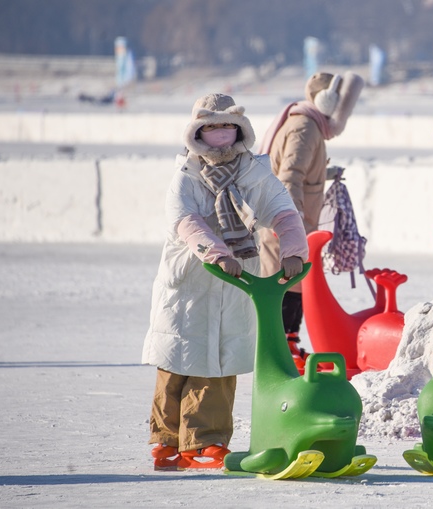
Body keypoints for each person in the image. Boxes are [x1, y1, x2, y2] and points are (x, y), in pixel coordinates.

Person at [142, 93, 309, 470]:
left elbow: (283, 211)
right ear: (197, 132)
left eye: (226, 126)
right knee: (178, 359)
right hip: (188, 281)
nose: (219, 133)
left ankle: (206, 442)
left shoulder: (254, 173)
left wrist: (294, 249)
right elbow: (186, 222)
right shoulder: (185, 176)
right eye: (211, 126)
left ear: (239, 130)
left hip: (236, 283)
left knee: (220, 360)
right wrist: (219, 253)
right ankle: (167, 441)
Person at [257, 71, 363, 364]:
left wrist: (324, 174)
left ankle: (288, 344)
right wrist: (289, 221)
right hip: (286, 224)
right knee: (288, 285)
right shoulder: (305, 128)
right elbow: (290, 175)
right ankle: (281, 349)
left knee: (295, 284)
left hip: (293, 221)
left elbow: (300, 171)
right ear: (327, 101)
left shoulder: (308, 125)